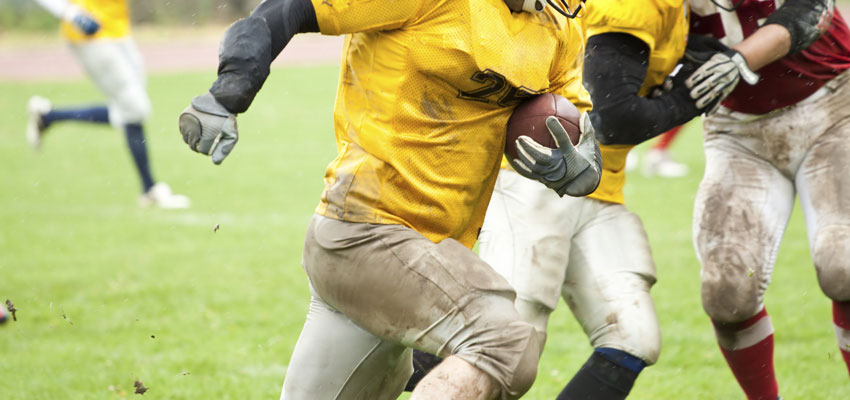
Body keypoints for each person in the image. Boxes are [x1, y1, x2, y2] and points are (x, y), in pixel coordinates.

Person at [176, 0, 601, 398]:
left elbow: (577, 129)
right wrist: (229, 92)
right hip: (365, 231)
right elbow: (288, 9)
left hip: (421, 257)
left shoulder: (556, 24)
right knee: (505, 345)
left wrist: (579, 167)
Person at [406, 1, 722, 398]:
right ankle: (390, 363)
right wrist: (688, 99)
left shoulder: (680, 9)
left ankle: (399, 362)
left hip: (600, 189)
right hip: (542, 179)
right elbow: (613, 118)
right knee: (508, 339)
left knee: (633, 338)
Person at [684, 0, 850, 398]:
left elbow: (810, 9)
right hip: (737, 131)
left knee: (844, 262)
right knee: (726, 291)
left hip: (835, 103)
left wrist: (740, 58)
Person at [26, 0, 189, 209]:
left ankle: (48, 117)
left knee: (129, 110)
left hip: (117, 28)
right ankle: (150, 189)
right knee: (134, 108)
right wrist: (70, 13)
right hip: (90, 31)